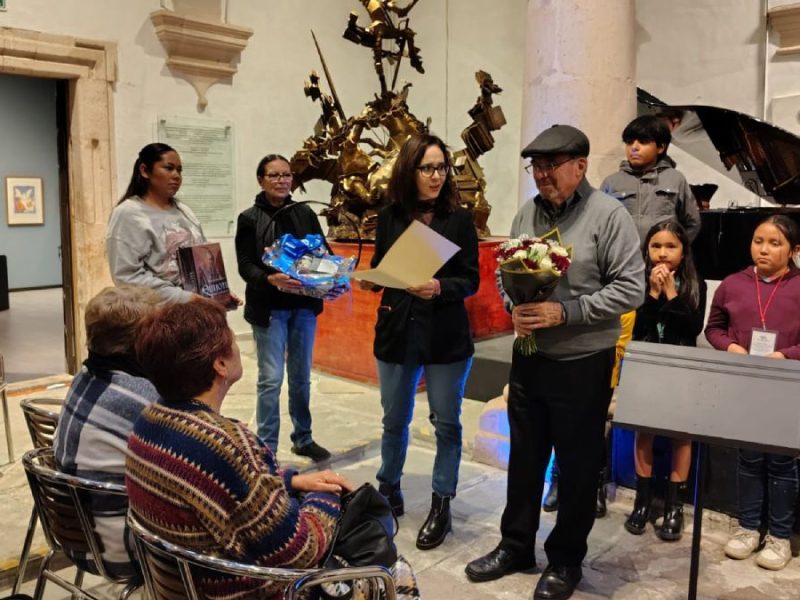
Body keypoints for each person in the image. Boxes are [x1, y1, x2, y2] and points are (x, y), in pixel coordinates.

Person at [126, 299, 419, 599]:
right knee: (393, 572)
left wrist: (291, 480)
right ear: (220, 364)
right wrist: (326, 497)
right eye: (231, 338)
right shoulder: (226, 443)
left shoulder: (148, 422)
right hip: (238, 591)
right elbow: (299, 551)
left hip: (175, 588)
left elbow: (230, 490)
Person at [465, 125, 644, 600]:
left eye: (550, 165)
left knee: (578, 465)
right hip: (530, 358)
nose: (541, 174)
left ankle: (566, 560)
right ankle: (516, 546)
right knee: (524, 459)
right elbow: (507, 272)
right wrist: (513, 306)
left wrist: (566, 311)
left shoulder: (609, 215)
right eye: (536, 166)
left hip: (583, 361)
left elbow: (631, 289)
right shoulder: (527, 213)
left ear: (580, 166)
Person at [360, 133, 479, 551]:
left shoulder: (459, 220)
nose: (435, 176)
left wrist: (438, 286)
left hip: (445, 334)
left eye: (441, 168)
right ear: (409, 170)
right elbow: (379, 266)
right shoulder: (391, 215)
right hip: (398, 331)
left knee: (446, 423)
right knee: (394, 419)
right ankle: (388, 487)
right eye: (427, 168)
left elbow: (470, 279)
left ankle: (441, 502)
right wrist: (376, 280)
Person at [705, 215, 800, 571]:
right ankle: (747, 528)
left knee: (780, 461)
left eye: (774, 243)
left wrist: (785, 355)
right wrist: (730, 347)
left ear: (794, 250)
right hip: (744, 385)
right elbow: (714, 328)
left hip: (787, 387)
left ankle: (779, 536)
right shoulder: (733, 284)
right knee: (747, 458)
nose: (763, 248)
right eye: (758, 240)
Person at [53, 285, 162, 578]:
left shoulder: (85, 376)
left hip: (74, 537)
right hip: (123, 552)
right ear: (145, 340)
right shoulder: (143, 398)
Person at [235, 154, 331, 461]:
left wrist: (329, 274)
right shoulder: (249, 218)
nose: (281, 181)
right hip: (270, 309)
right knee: (271, 379)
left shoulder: (304, 213)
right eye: (274, 175)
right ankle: (266, 448)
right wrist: (270, 279)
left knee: (301, 376)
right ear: (261, 180)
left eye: (287, 175)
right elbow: (245, 265)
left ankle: (303, 438)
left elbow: (322, 253)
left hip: (303, 307)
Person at [624, 221, 707, 541]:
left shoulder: (694, 281)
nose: (662, 252)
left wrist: (671, 293)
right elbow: (636, 326)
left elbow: (691, 328)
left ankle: (674, 506)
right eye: (656, 246)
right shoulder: (637, 279)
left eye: (670, 246)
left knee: (680, 435)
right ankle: (642, 502)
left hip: (681, 367)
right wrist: (653, 294)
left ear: (683, 251)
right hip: (646, 366)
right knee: (644, 431)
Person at [107, 143, 205, 303]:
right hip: (158, 314)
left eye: (179, 170)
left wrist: (219, 291)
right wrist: (182, 297)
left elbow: (203, 257)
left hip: (194, 307)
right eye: (169, 168)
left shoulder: (184, 210)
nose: (176, 176)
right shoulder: (128, 214)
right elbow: (127, 277)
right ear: (145, 171)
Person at [601, 115, 701, 243]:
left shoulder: (675, 179)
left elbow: (692, 222)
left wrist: (674, 249)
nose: (634, 147)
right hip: (624, 260)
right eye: (629, 142)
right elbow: (600, 224)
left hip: (663, 260)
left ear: (661, 147)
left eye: (643, 142)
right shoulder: (611, 182)